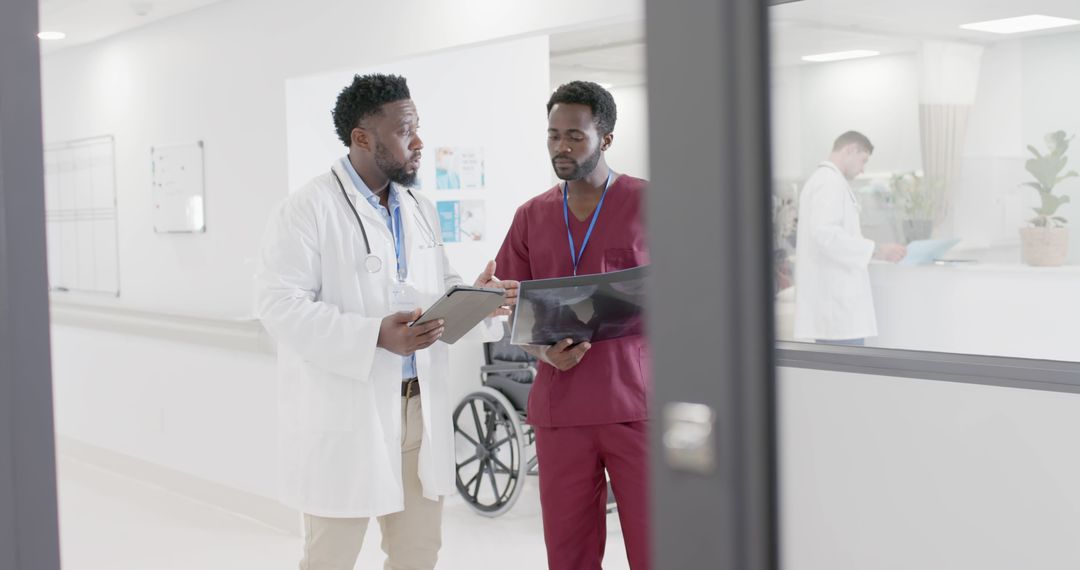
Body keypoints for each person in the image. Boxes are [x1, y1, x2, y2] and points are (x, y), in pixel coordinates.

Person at [255, 73, 518, 570]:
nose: (418, 142)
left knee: (418, 552)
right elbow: (279, 306)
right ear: (363, 138)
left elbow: (435, 287)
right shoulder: (307, 209)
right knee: (331, 556)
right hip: (347, 410)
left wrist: (477, 300)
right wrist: (374, 335)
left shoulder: (419, 207)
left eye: (418, 127)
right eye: (405, 130)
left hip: (419, 407)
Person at [494, 80, 650, 570]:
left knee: (658, 546)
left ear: (604, 138)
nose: (561, 147)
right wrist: (540, 351)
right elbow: (508, 308)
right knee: (568, 556)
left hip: (636, 405)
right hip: (560, 411)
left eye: (575, 137)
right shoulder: (530, 216)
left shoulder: (650, 204)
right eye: (553, 135)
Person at [793, 130, 906, 346]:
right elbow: (826, 236)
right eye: (863, 160)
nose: (862, 169)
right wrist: (877, 249)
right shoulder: (828, 182)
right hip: (837, 313)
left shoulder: (829, 181)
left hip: (837, 312)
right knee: (844, 376)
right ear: (850, 150)